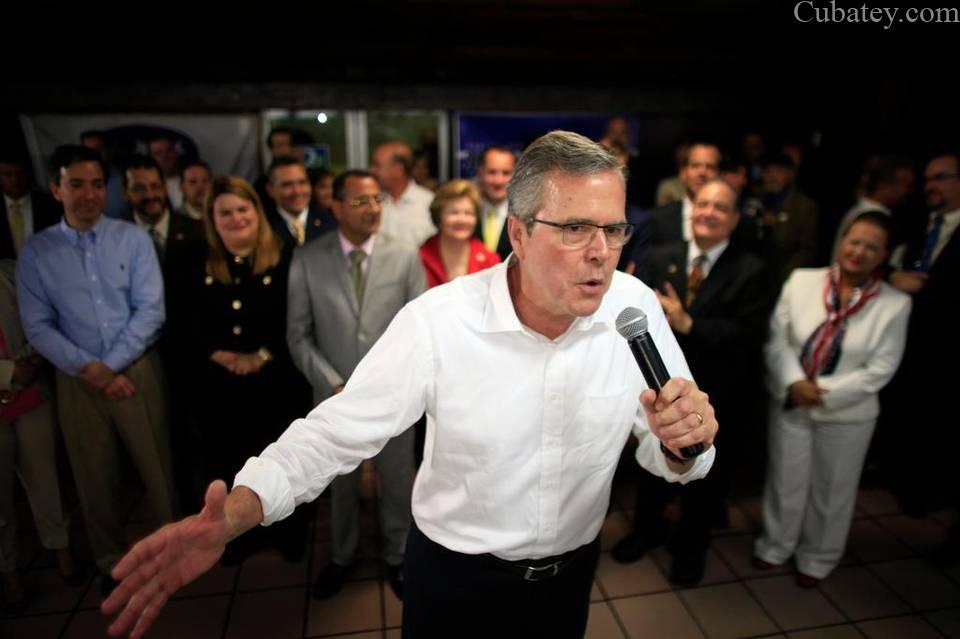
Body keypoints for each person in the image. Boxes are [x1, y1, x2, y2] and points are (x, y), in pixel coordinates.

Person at [102, 131, 718, 639]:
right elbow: (337, 431)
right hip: (456, 581)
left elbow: (671, 445)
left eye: (614, 230)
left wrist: (679, 445)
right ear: (520, 232)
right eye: (576, 229)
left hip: (570, 576)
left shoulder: (633, 310)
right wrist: (234, 516)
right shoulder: (439, 322)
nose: (601, 253)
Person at [16, 145, 176, 596]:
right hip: (75, 378)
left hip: (137, 370)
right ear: (55, 188)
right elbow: (38, 325)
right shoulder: (37, 251)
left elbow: (151, 311)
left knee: (158, 470)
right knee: (93, 476)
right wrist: (90, 369)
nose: (88, 194)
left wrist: (110, 366)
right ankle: (110, 562)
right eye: (76, 184)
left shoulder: (132, 238)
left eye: (95, 184)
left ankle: (170, 553)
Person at [614, 179, 769, 586]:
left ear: (734, 219)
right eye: (702, 204)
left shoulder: (751, 269)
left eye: (720, 207)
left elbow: (750, 334)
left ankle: (690, 549)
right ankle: (644, 532)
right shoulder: (661, 255)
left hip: (720, 390)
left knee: (705, 483)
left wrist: (689, 324)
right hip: (658, 393)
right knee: (654, 465)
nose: (708, 213)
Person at [286, 169, 426, 599]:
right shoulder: (309, 257)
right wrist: (331, 384)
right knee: (339, 483)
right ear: (337, 206)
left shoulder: (404, 254)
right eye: (361, 201)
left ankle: (398, 555)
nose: (373, 209)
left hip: (394, 395)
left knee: (397, 479)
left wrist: (392, 382)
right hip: (334, 397)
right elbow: (298, 334)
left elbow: (420, 329)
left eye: (377, 200)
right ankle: (343, 556)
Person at [753, 211, 910, 587]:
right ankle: (776, 544)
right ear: (842, 240)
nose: (859, 251)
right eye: (854, 241)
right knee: (784, 480)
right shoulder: (803, 281)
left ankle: (818, 557)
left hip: (847, 413)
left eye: (872, 247)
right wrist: (794, 382)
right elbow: (778, 338)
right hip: (791, 398)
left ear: (885, 254)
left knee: (833, 489)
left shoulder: (895, 303)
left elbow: (881, 368)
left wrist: (821, 393)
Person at [165, 176, 312, 562]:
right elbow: (180, 321)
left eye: (243, 209)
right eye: (225, 212)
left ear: (257, 212)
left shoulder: (287, 254)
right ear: (212, 217)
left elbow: (298, 319)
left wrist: (261, 356)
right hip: (218, 384)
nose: (235, 218)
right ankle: (235, 537)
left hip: (276, 381)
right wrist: (216, 353)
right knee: (225, 462)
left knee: (280, 462)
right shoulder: (190, 258)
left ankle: (288, 534)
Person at [1, 259, 83, 613]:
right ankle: (9, 572)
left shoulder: (10, 272)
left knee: (46, 483)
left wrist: (25, 370)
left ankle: (62, 554)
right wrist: (6, 373)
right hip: (10, 383)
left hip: (30, 394)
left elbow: (42, 322)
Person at [420, 179, 500, 287]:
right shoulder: (420, 257)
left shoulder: (490, 260)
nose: (462, 220)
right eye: (454, 212)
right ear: (439, 216)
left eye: (468, 213)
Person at [369, 140, 436, 247]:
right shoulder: (369, 203)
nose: (371, 170)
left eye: (376, 165)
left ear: (398, 170)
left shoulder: (430, 203)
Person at [474, 145, 517, 260]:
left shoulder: (525, 215)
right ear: (480, 173)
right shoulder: (468, 212)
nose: (498, 181)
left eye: (506, 173)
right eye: (492, 172)